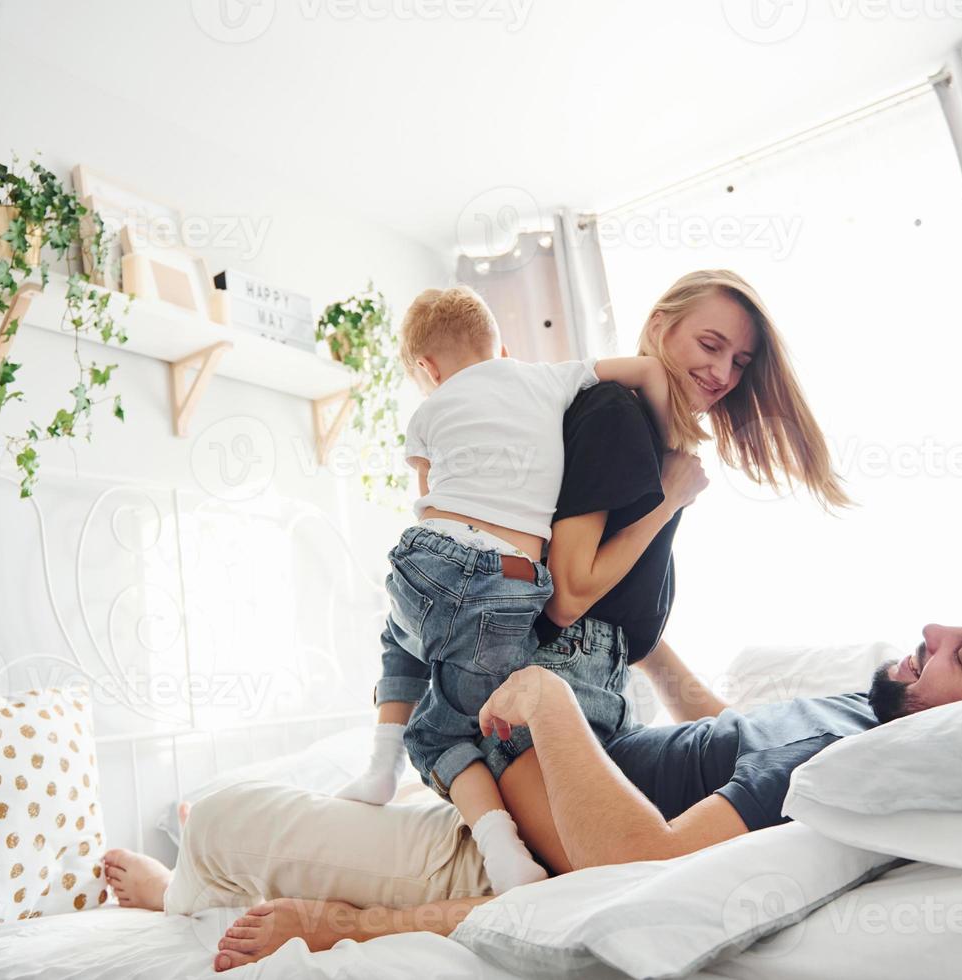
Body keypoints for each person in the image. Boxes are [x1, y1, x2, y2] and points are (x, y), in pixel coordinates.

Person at [103, 269, 851, 967]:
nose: (723, 374)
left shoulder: (646, 433)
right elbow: (567, 594)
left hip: (578, 707)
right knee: (261, 808)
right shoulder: (618, 420)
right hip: (542, 703)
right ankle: (194, 891)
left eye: (740, 362)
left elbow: (632, 634)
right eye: (709, 345)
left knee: (465, 795)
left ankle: (267, 878)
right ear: (660, 326)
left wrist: (734, 725)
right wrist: (668, 499)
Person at [103, 595, 962, 970]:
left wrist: (547, 703)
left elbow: (642, 864)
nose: (933, 630)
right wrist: (659, 651)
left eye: (960, 655)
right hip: (512, 789)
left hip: (497, 835)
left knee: (224, 811)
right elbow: (713, 756)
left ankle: (181, 897)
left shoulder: (857, 760)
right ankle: (213, 885)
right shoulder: (855, 717)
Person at [336, 284, 677, 895]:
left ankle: (390, 770)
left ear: (426, 369)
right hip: (515, 589)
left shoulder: (427, 412)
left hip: (434, 560)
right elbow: (649, 369)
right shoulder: (547, 379)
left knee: (410, 655)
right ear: (503, 347)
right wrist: (665, 440)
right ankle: (463, 822)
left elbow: (430, 505)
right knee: (437, 701)